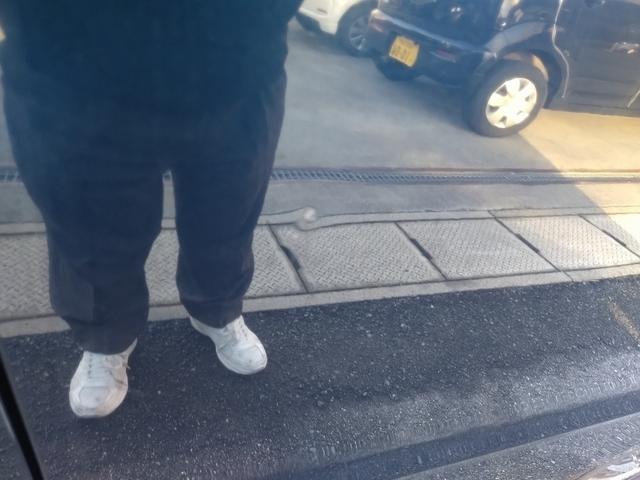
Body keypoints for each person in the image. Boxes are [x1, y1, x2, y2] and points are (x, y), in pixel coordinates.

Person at [0, 1, 303, 418]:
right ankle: (107, 334)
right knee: (89, 221)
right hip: (75, 59)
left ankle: (217, 307)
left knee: (230, 205)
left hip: (238, 53)